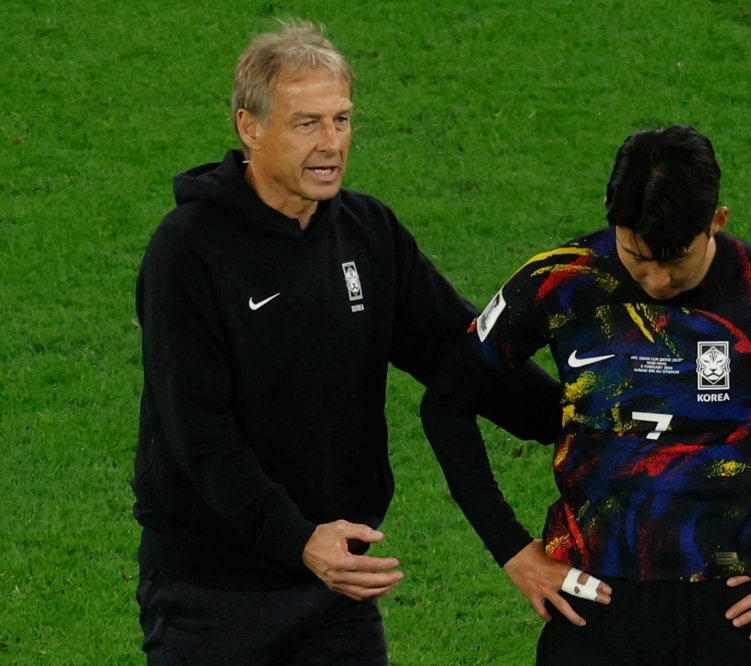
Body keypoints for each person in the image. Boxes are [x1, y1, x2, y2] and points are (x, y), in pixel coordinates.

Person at [132, 21, 561, 666]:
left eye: (342, 120)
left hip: (337, 585)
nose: (331, 144)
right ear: (250, 128)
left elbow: (459, 352)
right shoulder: (187, 252)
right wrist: (298, 538)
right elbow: (199, 433)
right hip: (213, 595)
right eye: (307, 124)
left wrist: (581, 418)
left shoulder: (368, 232)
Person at [420, 125, 751, 665]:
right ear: (612, 218)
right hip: (592, 604)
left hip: (728, 612)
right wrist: (511, 549)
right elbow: (447, 403)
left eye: (675, 259)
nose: (656, 280)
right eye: (637, 256)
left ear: (717, 221)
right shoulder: (560, 280)